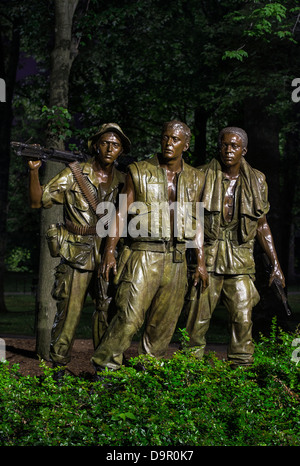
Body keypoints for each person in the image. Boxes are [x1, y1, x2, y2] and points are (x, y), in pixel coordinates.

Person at [91, 120, 208, 375]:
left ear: (185, 145)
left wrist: (200, 261)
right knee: (128, 317)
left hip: (176, 259)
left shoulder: (197, 178)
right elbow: (121, 213)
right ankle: (105, 370)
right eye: (165, 137)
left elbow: (196, 221)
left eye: (175, 139)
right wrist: (110, 250)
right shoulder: (139, 170)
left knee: (163, 324)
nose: (168, 143)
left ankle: (148, 376)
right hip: (143, 253)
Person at [28, 123, 131, 376]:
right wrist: (33, 172)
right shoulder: (73, 173)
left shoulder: (124, 180)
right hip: (77, 254)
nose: (109, 148)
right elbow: (37, 200)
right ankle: (59, 370)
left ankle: (103, 369)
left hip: (108, 253)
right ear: (96, 145)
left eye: (115, 145)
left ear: (121, 150)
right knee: (69, 314)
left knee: (106, 312)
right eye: (105, 143)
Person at [185, 126, 285, 368]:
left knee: (243, 317)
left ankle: (241, 370)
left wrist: (276, 263)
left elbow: (262, 225)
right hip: (207, 254)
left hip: (240, 257)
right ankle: (188, 368)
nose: (229, 150)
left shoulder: (257, 180)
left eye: (235, 146)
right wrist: (198, 262)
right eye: (225, 145)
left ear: (244, 150)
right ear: (219, 147)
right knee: (197, 318)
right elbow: (192, 223)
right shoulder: (200, 176)